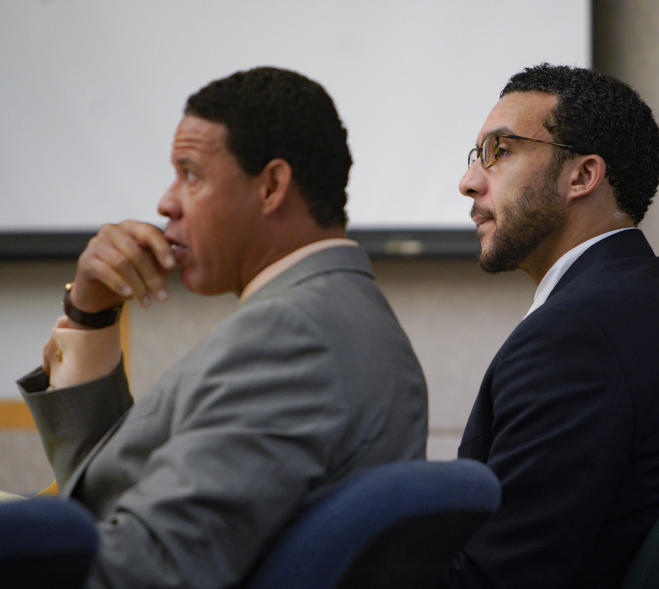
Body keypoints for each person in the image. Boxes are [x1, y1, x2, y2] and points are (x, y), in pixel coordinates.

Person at [16, 66, 428, 588]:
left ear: (272, 186)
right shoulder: (342, 314)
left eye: (190, 173)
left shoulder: (291, 338)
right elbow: (109, 497)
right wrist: (90, 314)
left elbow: (153, 570)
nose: (166, 202)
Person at [444, 63, 659, 589]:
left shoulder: (573, 338)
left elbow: (501, 578)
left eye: (499, 152)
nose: (468, 182)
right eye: (475, 157)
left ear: (582, 175)